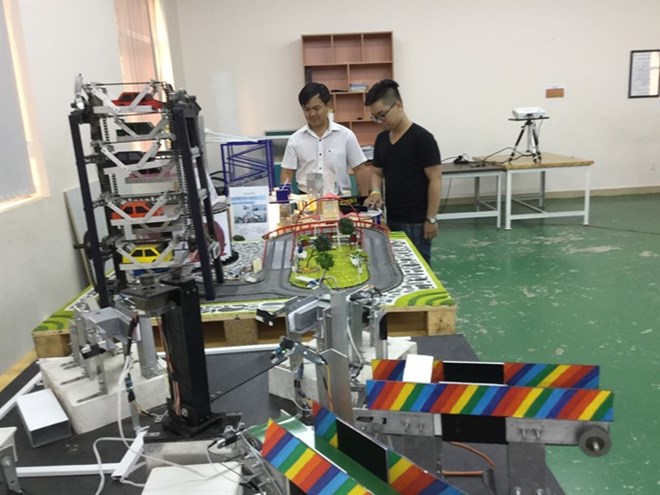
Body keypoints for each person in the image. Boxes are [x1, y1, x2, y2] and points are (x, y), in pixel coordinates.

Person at [364, 79, 441, 264]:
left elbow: (435, 179)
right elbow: (376, 172)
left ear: (398, 105)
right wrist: (375, 192)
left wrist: (431, 219)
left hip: (417, 222)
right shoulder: (382, 139)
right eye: (375, 117)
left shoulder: (422, 139)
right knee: (397, 266)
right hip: (393, 217)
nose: (379, 121)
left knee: (419, 268)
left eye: (382, 115)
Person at [280, 82, 370, 196]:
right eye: (307, 109)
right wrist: (284, 201)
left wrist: (365, 198)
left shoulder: (346, 135)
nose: (312, 114)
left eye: (316, 108)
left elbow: (359, 169)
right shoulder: (295, 140)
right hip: (307, 201)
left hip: (340, 199)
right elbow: (287, 172)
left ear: (328, 106)